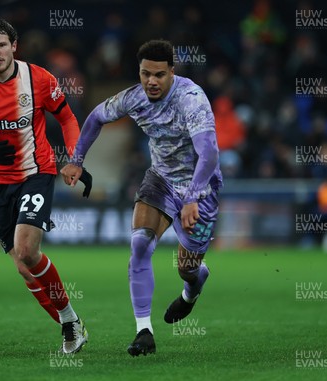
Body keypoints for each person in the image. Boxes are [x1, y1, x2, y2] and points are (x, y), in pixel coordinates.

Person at [61, 39, 222, 356]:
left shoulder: (191, 99)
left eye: (159, 75)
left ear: (172, 72)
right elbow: (95, 117)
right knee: (139, 244)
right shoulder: (134, 98)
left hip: (200, 189)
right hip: (160, 179)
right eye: (145, 73)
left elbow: (210, 153)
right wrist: (77, 160)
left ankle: (191, 291)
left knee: (187, 268)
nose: (151, 81)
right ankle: (143, 331)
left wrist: (191, 197)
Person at [0, 18, 90, 354]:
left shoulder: (39, 78)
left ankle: (69, 324)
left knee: (27, 250)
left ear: (14, 45)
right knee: (24, 269)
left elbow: (68, 118)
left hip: (36, 172)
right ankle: (72, 321)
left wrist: (76, 158)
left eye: (1, 44)